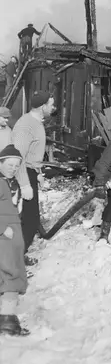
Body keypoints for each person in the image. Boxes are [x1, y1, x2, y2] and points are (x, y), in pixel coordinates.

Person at [12, 91, 55, 253]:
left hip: (30, 173)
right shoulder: (26, 126)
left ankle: (17, 257)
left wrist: (38, 173)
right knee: (29, 220)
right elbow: (17, 157)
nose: (53, 108)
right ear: (43, 107)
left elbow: (32, 153)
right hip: (21, 174)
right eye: (51, 105)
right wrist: (24, 184)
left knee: (29, 219)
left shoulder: (37, 123)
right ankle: (14, 259)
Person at [0, 144, 28, 336]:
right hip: (5, 235)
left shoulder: (11, 183)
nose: (13, 168)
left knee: (10, 273)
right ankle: (7, 321)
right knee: (11, 274)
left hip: (13, 233)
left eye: (17, 166)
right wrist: (3, 228)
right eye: (10, 165)